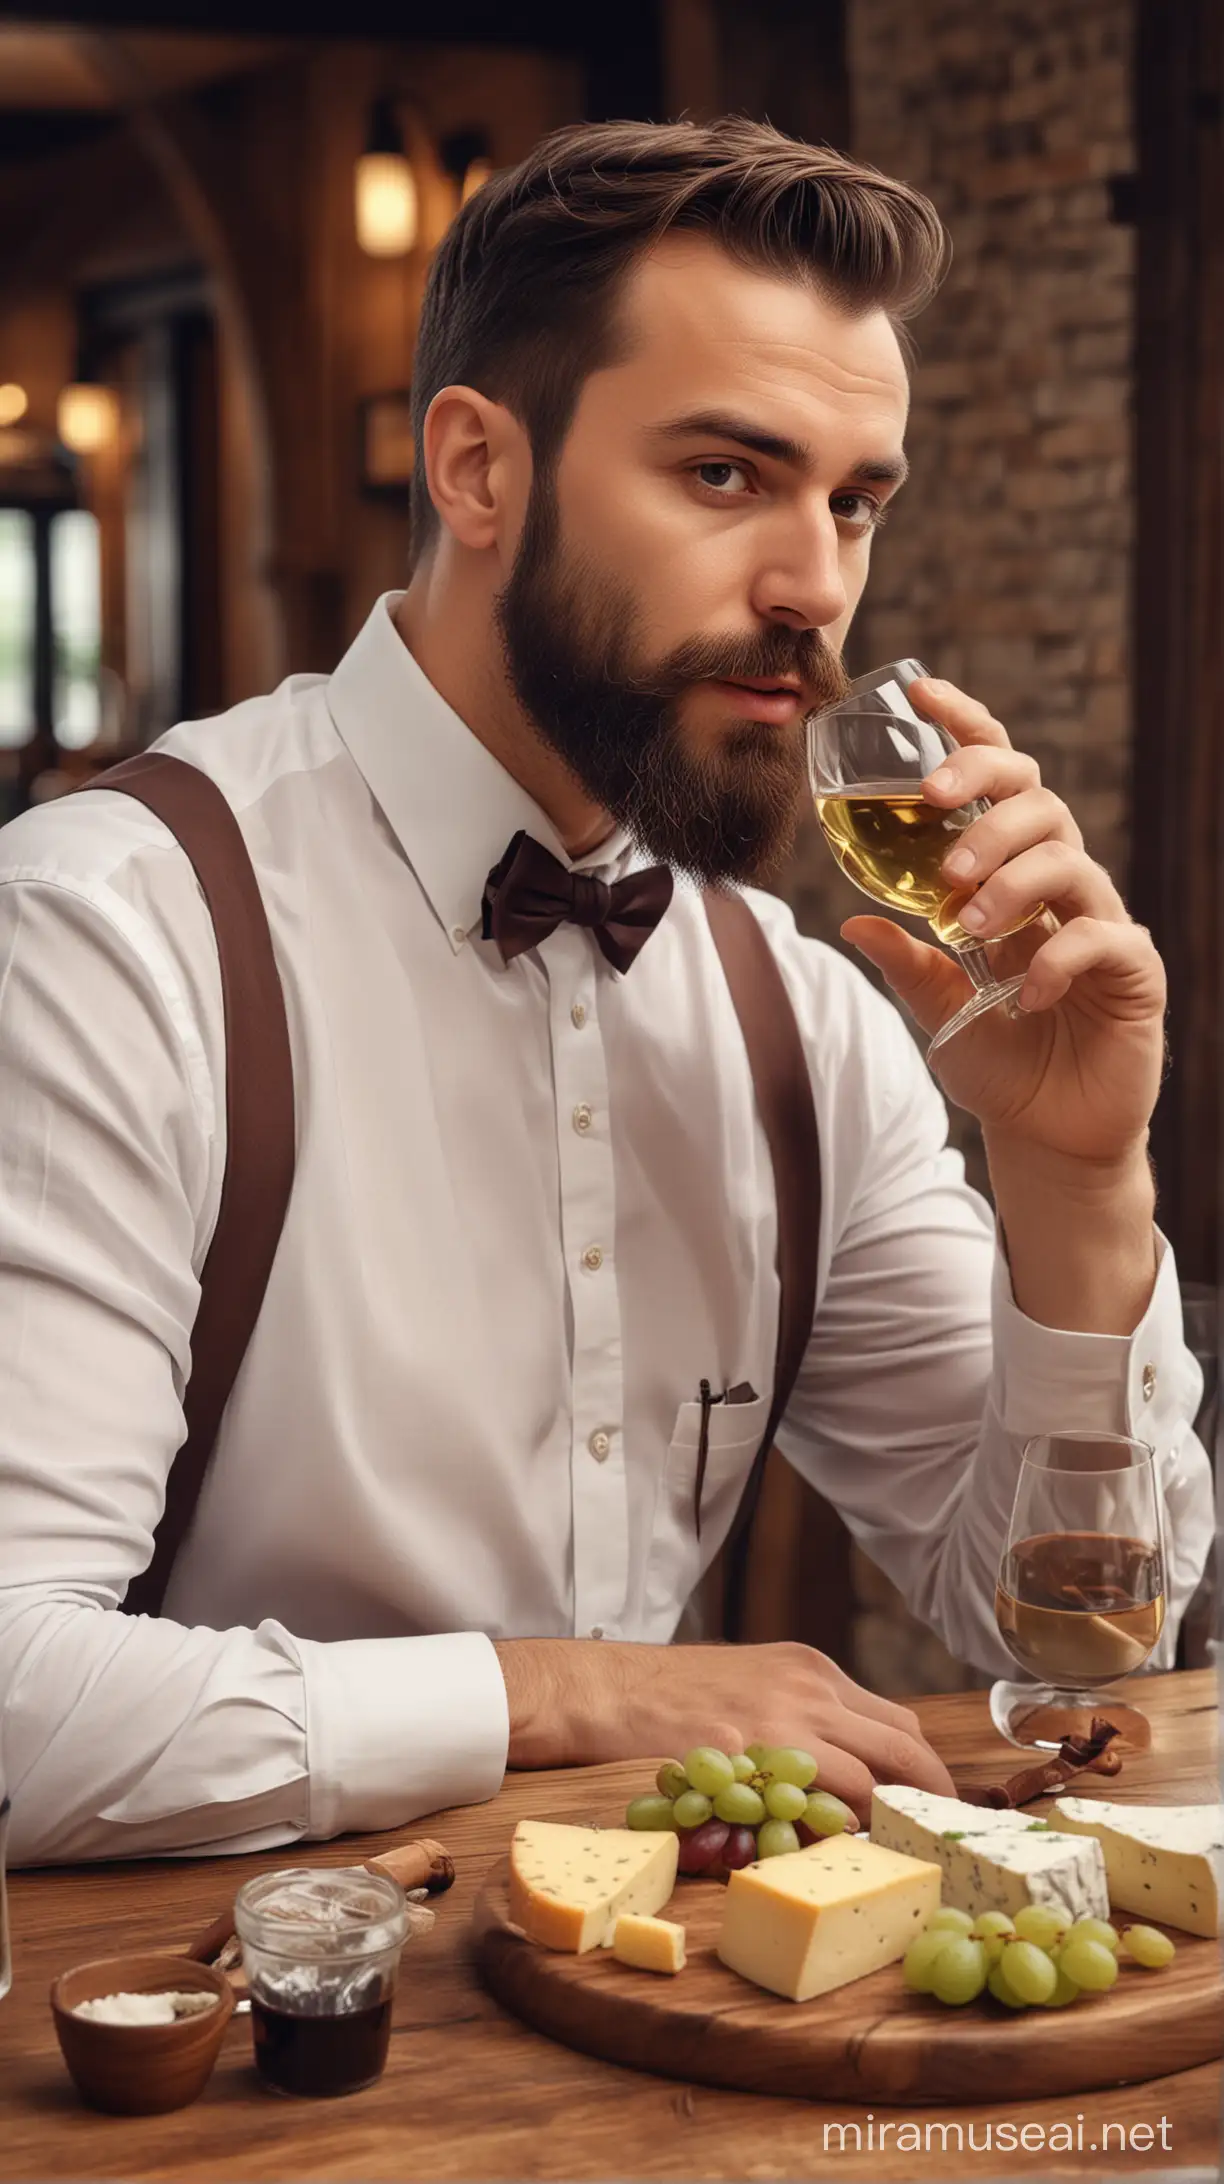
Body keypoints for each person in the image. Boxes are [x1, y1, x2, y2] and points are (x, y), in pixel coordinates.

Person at [0, 118, 1210, 1866]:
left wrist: (1081, 1183)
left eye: (856, 501)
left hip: (653, 2045)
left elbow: (1072, 1642)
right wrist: (561, 1695)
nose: (817, 588)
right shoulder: (110, 935)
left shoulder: (807, 1018)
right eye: (727, 475)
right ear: (478, 472)